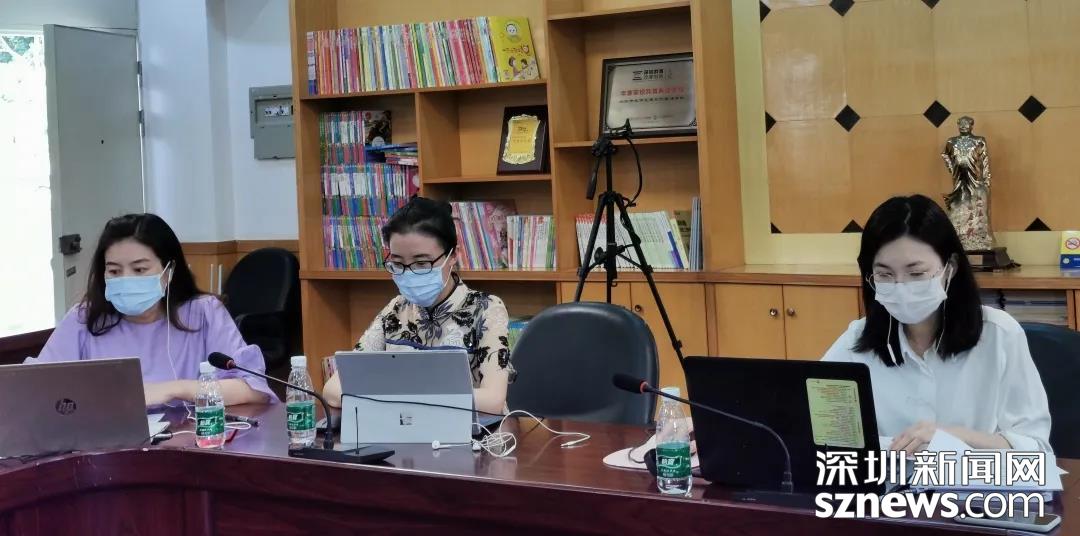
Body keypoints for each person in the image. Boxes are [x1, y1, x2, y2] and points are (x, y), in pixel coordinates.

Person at [823, 195, 1051, 455]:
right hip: (889, 480)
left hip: (971, 480)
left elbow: (1036, 449)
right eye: (885, 274)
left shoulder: (999, 334)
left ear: (950, 267)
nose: (900, 286)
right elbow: (816, 428)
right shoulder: (855, 341)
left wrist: (952, 437)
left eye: (916, 273)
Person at [32, 213, 275, 407]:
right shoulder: (84, 319)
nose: (126, 279)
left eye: (139, 270)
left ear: (168, 272)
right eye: (114, 271)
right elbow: (34, 386)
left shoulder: (204, 313)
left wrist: (173, 389)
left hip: (188, 442)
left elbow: (253, 388)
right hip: (105, 445)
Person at [322, 197, 514, 415]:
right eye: (398, 263)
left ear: (453, 256)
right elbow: (333, 389)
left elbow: (493, 400)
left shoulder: (486, 308)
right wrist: (412, 398)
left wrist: (393, 396)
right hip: (403, 426)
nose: (409, 272)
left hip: (473, 430)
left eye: (422, 263)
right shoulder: (395, 310)